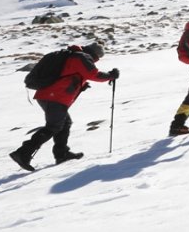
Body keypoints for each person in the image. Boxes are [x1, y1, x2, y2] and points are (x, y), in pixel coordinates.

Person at [9, 43, 117, 172]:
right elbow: (94, 75)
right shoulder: (82, 58)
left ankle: (62, 154)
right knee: (54, 126)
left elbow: (69, 75)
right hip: (54, 96)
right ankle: (23, 153)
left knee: (65, 123)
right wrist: (111, 75)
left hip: (50, 95)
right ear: (96, 55)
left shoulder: (73, 56)